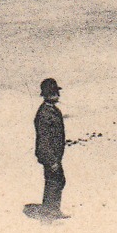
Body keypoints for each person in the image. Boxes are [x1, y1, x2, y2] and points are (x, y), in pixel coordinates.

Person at [30, 77, 67, 221]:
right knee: (54, 181)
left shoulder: (52, 110)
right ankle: (50, 212)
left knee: (58, 180)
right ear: (48, 94)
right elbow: (44, 140)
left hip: (54, 155)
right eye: (55, 92)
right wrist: (51, 160)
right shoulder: (45, 113)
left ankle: (52, 210)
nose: (58, 95)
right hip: (49, 155)